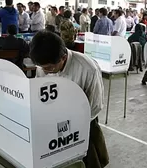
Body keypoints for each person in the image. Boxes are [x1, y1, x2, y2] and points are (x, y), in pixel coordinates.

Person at [30, 31, 109, 168]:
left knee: (88, 162)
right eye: (42, 67)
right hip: (51, 122)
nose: (45, 71)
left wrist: (72, 126)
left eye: (49, 68)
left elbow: (96, 105)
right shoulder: (43, 67)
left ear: (63, 57)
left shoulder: (88, 68)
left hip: (82, 125)